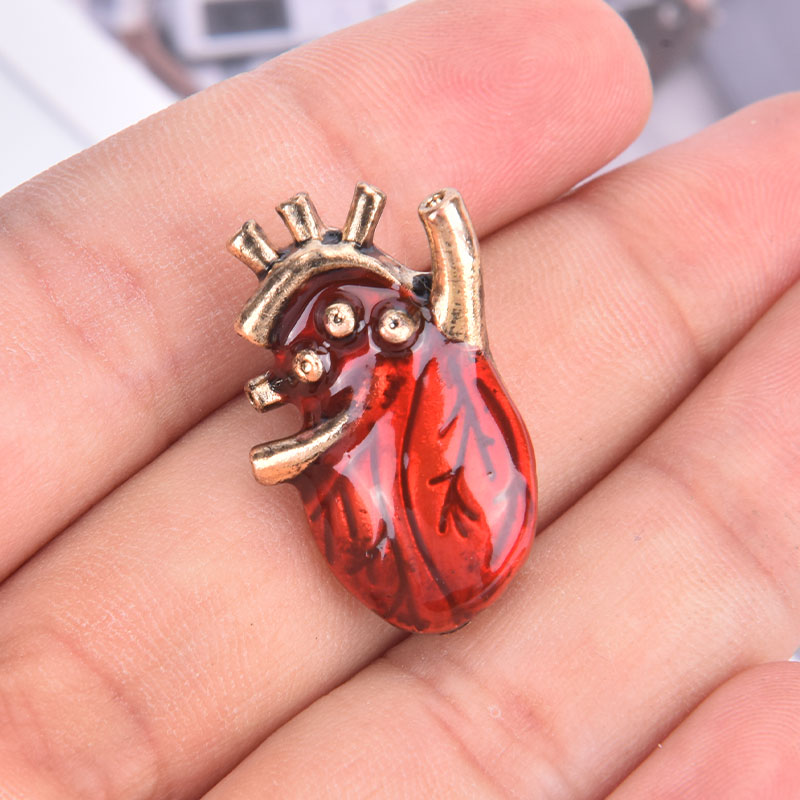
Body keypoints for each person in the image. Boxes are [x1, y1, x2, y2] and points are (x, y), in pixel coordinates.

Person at [0, 0, 798, 797]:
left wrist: (438, 260)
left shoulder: (436, 350)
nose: (357, 343)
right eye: (325, 343)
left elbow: (451, 274)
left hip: (469, 524)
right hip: (404, 546)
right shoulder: (388, 375)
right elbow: (333, 418)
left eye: (365, 319)